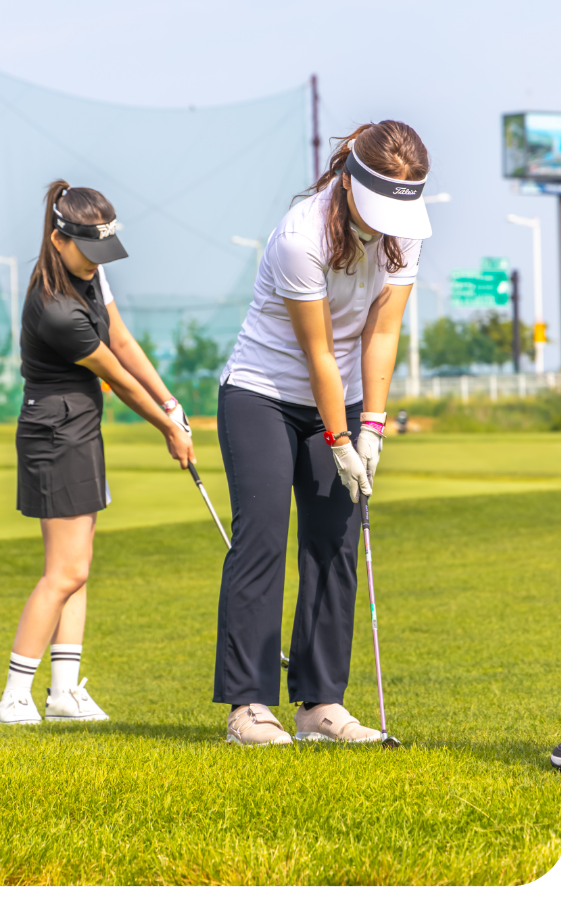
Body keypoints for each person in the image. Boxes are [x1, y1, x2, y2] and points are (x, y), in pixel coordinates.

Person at [215, 121, 431, 745]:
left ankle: (320, 705)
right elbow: (318, 355)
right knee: (262, 538)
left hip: (345, 392)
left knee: (335, 541)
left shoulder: (403, 233)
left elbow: (381, 333)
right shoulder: (300, 237)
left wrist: (372, 427)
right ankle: (248, 706)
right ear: (350, 182)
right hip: (263, 392)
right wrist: (338, 440)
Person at [0, 181, 195, 725]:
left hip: (79, 427)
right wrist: (168, 428)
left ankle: (64, 693)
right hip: (54, 432)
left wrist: (171, 402)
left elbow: (124, 341)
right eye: (87, 250)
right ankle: (15, 696)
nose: (95, 261)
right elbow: (119, 378)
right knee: (63, 572)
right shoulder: (57, 309)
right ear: (58, 240)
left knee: (78, 569)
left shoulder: (89, 273)